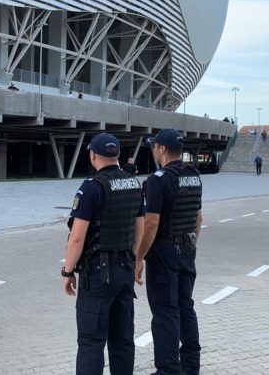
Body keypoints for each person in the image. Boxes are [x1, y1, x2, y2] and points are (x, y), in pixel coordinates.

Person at [63, 132, 145, 374]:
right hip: (125, 272)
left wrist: (68, 272)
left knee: (91, 342)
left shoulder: (92, 188)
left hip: (98, 276)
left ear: (92, 155)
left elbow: (77, 238)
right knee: (122, 340)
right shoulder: (134, 184)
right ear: (117, 155)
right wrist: (133, 259)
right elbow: (139, 231)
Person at [136, 129, 203, 375]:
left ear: (162, 149)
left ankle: (168, 370)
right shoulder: (193, 176)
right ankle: (191, 366)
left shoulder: (158, 179)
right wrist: (189, 245)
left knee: (165, 312)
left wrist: (139, 256)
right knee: (186, 307)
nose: (153, 150)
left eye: (154, 146)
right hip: (187, 249)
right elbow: (198, 218)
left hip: (164, 252)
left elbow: (151, 223)